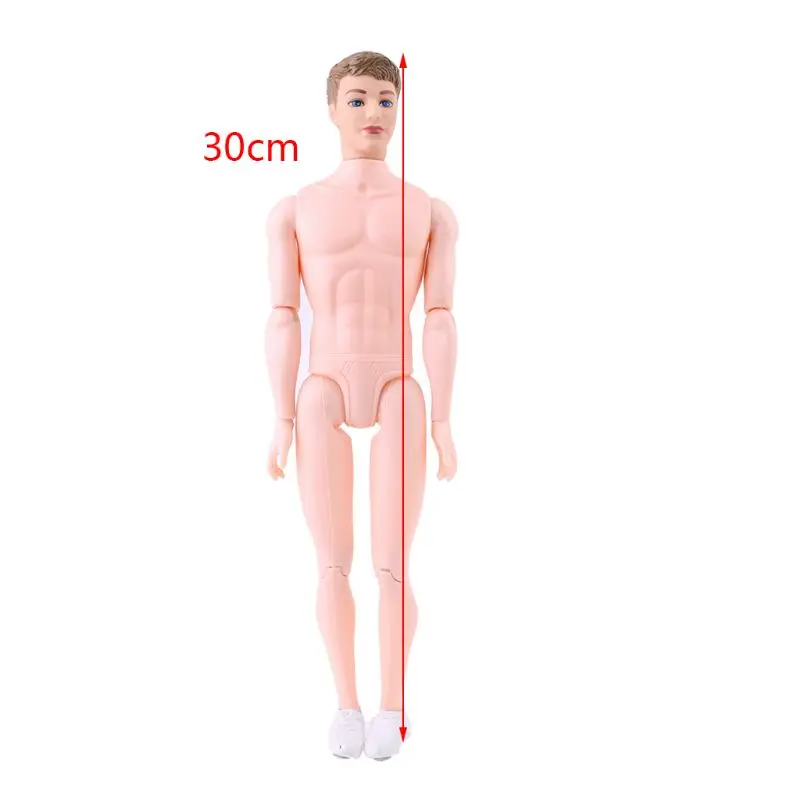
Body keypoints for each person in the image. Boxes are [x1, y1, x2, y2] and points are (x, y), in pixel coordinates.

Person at [265, 50, 457, 760]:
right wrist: (281, 418)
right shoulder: (296, 208)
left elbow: (440, 316)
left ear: (398, 109)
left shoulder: (429, 210)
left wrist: (443, 419)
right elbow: (282, 314)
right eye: (357, 99)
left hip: (399, 383)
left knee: (393, 562)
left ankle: (393, 707)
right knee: (332, 561)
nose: (373, 111)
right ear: (332, 110)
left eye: (384, 98)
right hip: (321, 385)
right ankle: (346, 703)